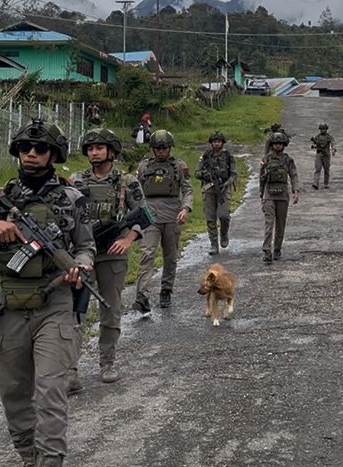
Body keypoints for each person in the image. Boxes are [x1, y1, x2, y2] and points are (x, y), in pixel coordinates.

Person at [0, 119, 94, 467]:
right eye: (25, 148)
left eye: (40, 149)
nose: (31, 154)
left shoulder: (72, 199)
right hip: (9, 307)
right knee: (15, 393)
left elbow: (85, 247)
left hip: (55, 302)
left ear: (54, 155)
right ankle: (29, 458)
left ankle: (50, 461)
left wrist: (80, 267)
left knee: (51, 392)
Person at [69, 128, 147, 385]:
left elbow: (145, 214)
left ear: (111, 151)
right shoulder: (76, 181)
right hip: (82, 256)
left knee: (110, 310)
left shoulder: (126, 182)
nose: (94, 153)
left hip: (111, 255)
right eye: (90, 149)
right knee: (75, 312)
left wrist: (128, 239)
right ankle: (70, 370)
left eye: (100, 148)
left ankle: (107, 362)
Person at [133, 129, 191, 311]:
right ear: (153, 149)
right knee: (147, 253)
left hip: (172, 213)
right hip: (150, 214)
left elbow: (188, 190)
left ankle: (166, 289)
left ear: (169, 148)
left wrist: (186, 208)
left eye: (164, 148)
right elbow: (135, 190)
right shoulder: (144, 167)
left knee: (170, 256)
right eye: (158, 148)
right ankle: (142, 295)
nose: (161, 151)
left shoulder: (178, 166)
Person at [259, 131, 300, 263]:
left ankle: (277, 248)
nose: (278, 146)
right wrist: (261, 195)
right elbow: (261, 178)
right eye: (275, 143)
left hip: (282, 195)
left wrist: (295, 191)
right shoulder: (266, 159)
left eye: (280, 143)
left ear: (284, 145)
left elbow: (293, 175)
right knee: (269, 223)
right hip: (269, 195)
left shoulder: (288, 159)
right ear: (272, 145)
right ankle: (267, 250)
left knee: (281, 224)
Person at [197, 130, 236, 255]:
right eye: (214, 141)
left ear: (222, 143)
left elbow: (234, 174)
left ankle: (224, 233)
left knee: (224, 215)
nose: (216, 144)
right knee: (210, 218)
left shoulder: (228, 156)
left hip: (224, 189)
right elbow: (197, 173)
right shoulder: (205, 156)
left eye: (219, 141)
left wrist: (227, 183)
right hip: (209, 189)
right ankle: (213, 244)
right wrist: (205, 175)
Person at [310, 123, 336, 189]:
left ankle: (326, 183)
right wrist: (313, 145)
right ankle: (315, 183)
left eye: (324, 129)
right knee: (318, 168)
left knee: (326, 169)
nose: (322, 130)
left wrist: (333, 149)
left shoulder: (329, 136)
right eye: (321, 129)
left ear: (326, 129)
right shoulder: (317, 136)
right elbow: (313, 142)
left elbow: (333, 143)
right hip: (319, 154)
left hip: (326, 154)